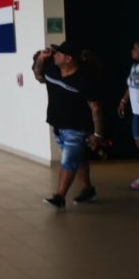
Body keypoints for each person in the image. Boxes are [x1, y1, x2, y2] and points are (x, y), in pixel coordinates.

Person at [32, 41, 104, 208]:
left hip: (76, 127)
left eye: (59, 54)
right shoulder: (52, 70)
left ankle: (59, 197)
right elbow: (37, 75)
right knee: (77, 160)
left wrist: (98, 134)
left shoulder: (84, 79)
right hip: (57, 126)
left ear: (68, 59)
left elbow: (96, 107)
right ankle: (88, 190)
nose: (54, 55)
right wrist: (41, 59)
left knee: (68, 161)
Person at [117, 40, 139, 190]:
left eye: (135, 49)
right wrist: (123, 101)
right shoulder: (134, 67)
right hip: (136, 113)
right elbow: (130, 85)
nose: (132, 51)